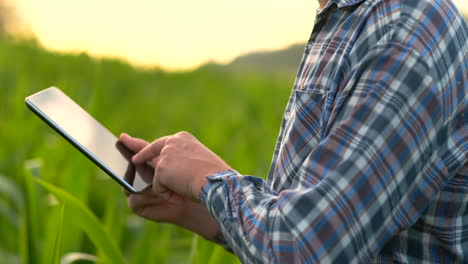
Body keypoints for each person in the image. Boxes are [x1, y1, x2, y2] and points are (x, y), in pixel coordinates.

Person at [119, 0, 468, 262]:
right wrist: (198, 209)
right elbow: (303, 217)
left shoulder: (406, 28)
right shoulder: (345, 21)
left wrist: (208, 179)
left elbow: (307, 248)